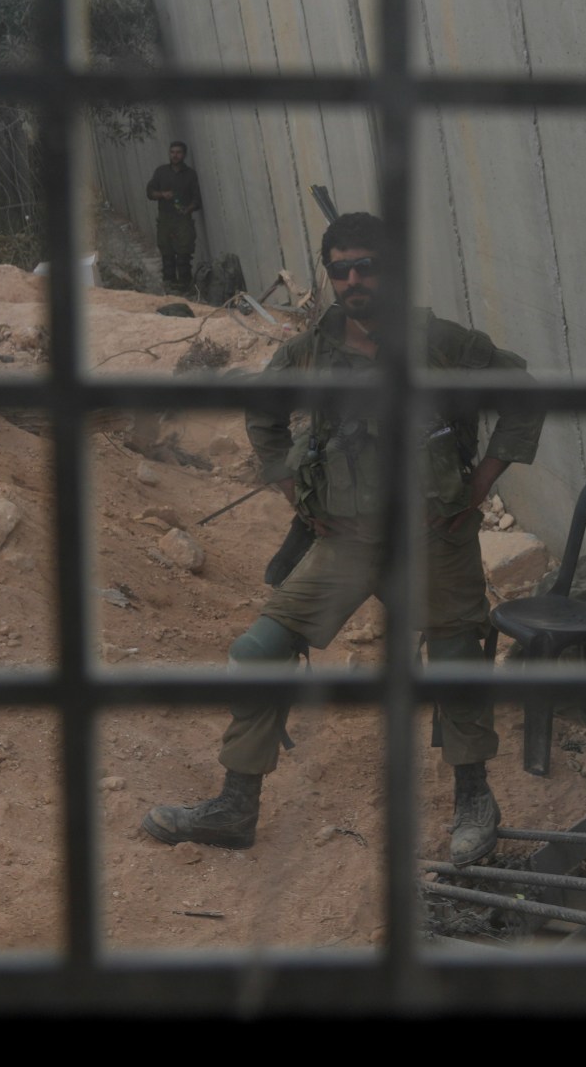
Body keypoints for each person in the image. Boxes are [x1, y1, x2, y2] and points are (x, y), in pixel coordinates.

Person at [143, 212, 544, 864]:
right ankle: (235, 805)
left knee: (454, 665)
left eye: (366, 266)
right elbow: (264, 416)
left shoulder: (440, 343)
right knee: (258, 650)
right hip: (346, 543)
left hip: (432, 540)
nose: (353, 280)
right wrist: (296, 494)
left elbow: (522, 394)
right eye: (340, 269)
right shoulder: (310, 351)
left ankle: (475, 802)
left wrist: (480, 488)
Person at [144, 141, 201, 295]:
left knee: (183, 257)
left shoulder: (190, 174)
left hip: (183, 220)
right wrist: (162, 194)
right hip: (165, 219)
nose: (175, 155)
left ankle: (186, 290)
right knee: (167, 257)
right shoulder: (161, 172)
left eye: (178, 152)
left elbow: (197, 199)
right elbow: (150, 192)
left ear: (184, 155)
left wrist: (187, 208)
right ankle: (169, 290)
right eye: (172, 152)